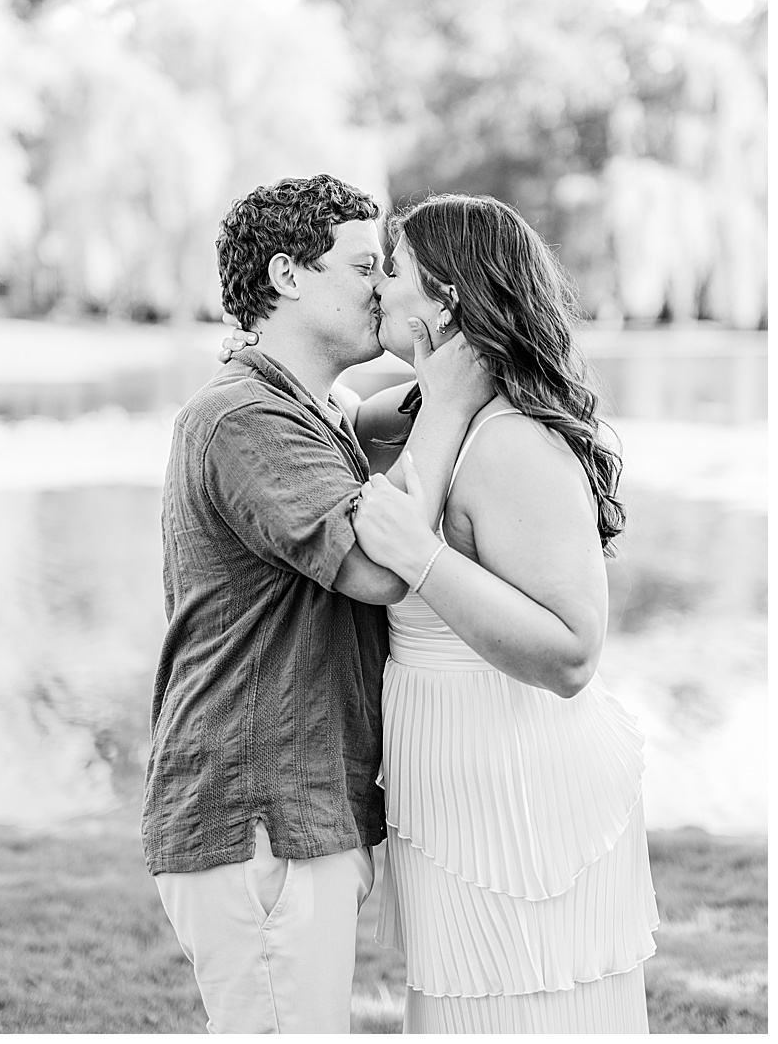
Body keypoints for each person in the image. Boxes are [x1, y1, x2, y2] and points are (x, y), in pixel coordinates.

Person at [144, 174, 494, 1033]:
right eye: (365, 265)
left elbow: (377, 426)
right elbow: (382, 570)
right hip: (261, 817)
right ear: (288, 275)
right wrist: (447, 403)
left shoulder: (314, 408)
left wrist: (447, 371)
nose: (383, 286)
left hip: (302, 811)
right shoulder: (243, 418)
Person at [348, 194, 657, 1032]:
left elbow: (572, 652)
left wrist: (423, 559)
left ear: (445, 298)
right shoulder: (414, 414)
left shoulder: (514, 444)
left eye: (394, 269)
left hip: (521, 791)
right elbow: (339, 408)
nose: (376, 284)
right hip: (447, 776)